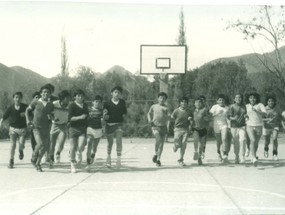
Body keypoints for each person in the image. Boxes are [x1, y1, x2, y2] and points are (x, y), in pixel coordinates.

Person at [25, 86, 54, 172]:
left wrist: (52, 117)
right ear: (41, 93)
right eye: (44, 92)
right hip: (36, 127)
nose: (46, 93)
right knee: (40, 144)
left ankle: (38, 163)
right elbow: (27, 110)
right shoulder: (36, 102)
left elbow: (51, 116)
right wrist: (27, 120)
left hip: (46, 128)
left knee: (44, 147)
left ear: (50, 94)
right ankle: (34, 157)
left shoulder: (50, 105)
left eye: (48, 92)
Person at [0, 92, 28, 169]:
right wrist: (1, 122)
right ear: (13, 98)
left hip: (22, 129)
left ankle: (21, 150)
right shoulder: (11, 108)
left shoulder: (25, 107)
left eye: (19, 97)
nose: (17, 99)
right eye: (16, 97)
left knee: (21, 144)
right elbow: (4, 116)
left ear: (21, 98)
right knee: (13, 145)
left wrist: (26, 114)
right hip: (13, 129)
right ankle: (11, 160)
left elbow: (31, 112)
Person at [103, 86, 127, 169]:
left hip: (119, 125)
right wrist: (104, 116)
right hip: (109, 125)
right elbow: (105, 115)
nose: (117, 94)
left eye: (119, 93)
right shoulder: (107, 103)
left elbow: (124, 114)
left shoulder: (122, 102)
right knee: (110, 144)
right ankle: (108, 158)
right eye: (115, 92)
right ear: (111, 93)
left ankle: (118, 160)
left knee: (119, 141)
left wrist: (125, 123)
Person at [68, 89, 89, 173]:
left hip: (82, 129)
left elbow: (87, 116)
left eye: (81, 96)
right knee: (73, 147)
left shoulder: (85, 105)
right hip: (73, 129)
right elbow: (70, 118)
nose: (80, 97)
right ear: (75, 97)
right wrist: (80, 117)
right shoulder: (72, 106)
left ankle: (78, 153)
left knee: (80, 147)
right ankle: (72, 165)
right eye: (78, 96)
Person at [147, 92, 170, 167]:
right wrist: (150, 120)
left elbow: (169, 117)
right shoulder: (153, 106)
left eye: (164, 98)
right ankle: (156, 153)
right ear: (158, 98)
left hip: (163, 127)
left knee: (161, 145)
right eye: (160, 97)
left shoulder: (167, 108)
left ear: (165, 99)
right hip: (155, 126)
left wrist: (167, 115)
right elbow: (148, 113)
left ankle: (158, 159)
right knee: (158, 139)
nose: (162, 99)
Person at [49, 90, 71, 166]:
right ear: (62, 98)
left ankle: (58, 153)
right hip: (54, 125)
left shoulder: (69, 106)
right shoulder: (54, 104)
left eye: (69, 97)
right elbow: (48, 114)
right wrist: (52, 118)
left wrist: (69, 122)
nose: (68, 99)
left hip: (63, 126)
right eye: (66, 98)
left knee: (61, 143)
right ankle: (51, 158)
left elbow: (71, 116)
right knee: (52, 144)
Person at [85, 95, 107, 171]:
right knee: (89, 142)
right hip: (90, 129)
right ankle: (88, 164)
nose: (97, 103)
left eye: (99, 102)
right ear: (93, 102)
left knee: (94, 147)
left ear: (101, 103)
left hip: (98, 130)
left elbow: (103, 122)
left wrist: (103, 116)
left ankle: (92, 155)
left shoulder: (101, 111)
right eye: (96, 101)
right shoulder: (88, 110)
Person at [245, 92, 266, 167]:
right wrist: (245, 116)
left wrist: (257, 111)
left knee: (256, 142)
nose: (252, 99)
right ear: (248, 99)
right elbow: (244, 114)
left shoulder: (260, 105)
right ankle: (254, 158)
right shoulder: (246, 106)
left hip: (259, 125)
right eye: (250, 98)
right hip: (249, 125)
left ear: (256, 98)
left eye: (254, 97)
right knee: (253, 140)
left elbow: (264, 114)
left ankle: (253, 155)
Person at [171, 97, 192, 167]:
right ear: (180, 103)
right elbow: (172, 118)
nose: (183, 103)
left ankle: (181, 159)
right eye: (182, 102)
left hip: (185, 129)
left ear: (187, 103)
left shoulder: (189, 111)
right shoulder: (176, 111)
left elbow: (191, 121)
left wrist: (190, 120)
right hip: (177, 129)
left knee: (184, 144)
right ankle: (175, 146)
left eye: (185, 102)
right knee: (178, 144)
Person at [227, 93, 247, 164]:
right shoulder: (231, 106)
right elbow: (228, 117)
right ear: (234, 99)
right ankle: (236, 156)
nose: (238, 99)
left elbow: (246, 114)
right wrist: (233, 118)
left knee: (243, 140)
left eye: (240, 97)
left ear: (241, 99)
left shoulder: (244, 106)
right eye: (237, 97)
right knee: (236, 143)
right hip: (234, 126)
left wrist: (246, 116)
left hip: (242, 126)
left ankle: (242, 156)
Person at [209, 94, 230, 163]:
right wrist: (217, 113)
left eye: (223, 100)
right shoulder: (215, 107)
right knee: (219, 141)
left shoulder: (227, 108)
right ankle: (218, 152)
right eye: (220, 100)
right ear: (217, 101)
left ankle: (224, 153)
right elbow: (210, 115)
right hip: (216, 125)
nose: (221, 101)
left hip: (224, 125)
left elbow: (228, 117)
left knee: (224, 138)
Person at [191, 97, 210, 165]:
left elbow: (208, 118)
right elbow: (189, 118)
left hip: (203, 128)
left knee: (201, 145)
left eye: (200, 102)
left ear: (202, 103)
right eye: (196, 102)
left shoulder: (204, 110)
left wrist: (206, 118)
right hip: (195, 128)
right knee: (195, 139)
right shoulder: (192, 111)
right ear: (194, 103)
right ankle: (195, 152)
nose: (198, 103)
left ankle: (199, 158)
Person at [263, 96, 281, 161]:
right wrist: (267, 120)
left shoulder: (277, 108)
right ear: (267, 102)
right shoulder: (264, 109)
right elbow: (261, 118)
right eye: (269, 101)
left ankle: (275, 154)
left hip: (275, 126)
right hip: (266, 127)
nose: (271, 102)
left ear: (274, 101)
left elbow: (281, 116)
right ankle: (266, 149)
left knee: (274, 139)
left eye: (272, 101)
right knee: (267, 142)